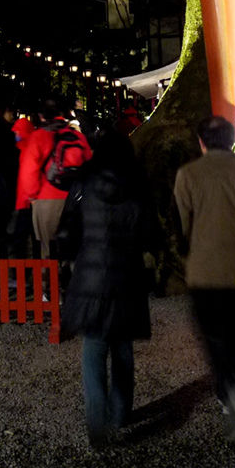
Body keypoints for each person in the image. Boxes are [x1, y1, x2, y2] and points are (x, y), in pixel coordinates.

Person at [173, 114, 235, 441]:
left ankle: (229, 393)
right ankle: (233, 391)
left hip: (204, 270)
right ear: (234, 141)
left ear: (201, 142)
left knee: (213, 336)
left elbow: (182, 227)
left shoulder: (188, 175)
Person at [61, 127, 154, 449]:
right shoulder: (139, 184)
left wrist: (72, 258)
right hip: (127, 274)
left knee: (94, 347)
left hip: (91, 274)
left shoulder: (84, 183)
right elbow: (150, 232)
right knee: (123, 347)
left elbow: (68, 230)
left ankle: (96, 417)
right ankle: (120, 413)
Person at [14, 98, 92, 258]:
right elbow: (90, 164)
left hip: (47, 198)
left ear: (41, 116)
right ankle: (71, 279)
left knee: (48, 248)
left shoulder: (38, 137)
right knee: (75, 246)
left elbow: (28, 171)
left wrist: (32, 196)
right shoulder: (77, 136)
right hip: (76, 199)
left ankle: (49, 280)